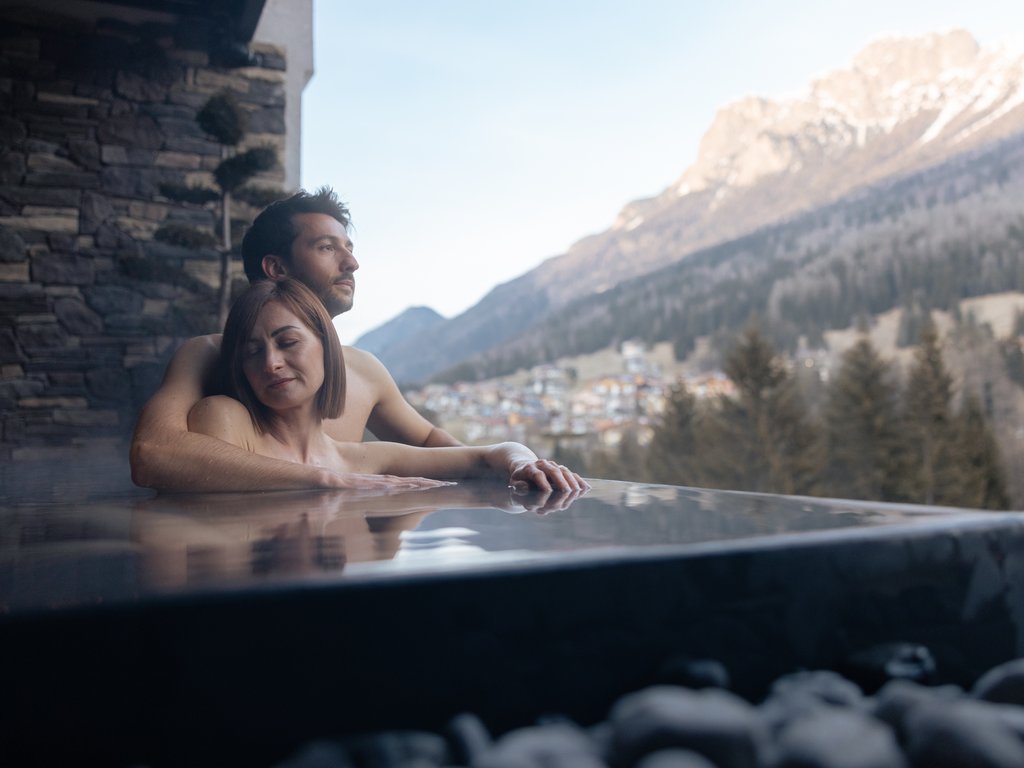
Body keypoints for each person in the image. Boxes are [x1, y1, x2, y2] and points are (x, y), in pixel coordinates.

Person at [131, 187, 573, 492]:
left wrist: (514, 468)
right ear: (276, 269)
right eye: (327, 248)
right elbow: (153, 453)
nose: (352, 262)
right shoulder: (208, 356)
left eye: (349, 246)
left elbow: (431, 450)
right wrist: (326, 481)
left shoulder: (363, 370)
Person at [187, 278, 588, 495]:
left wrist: (524, 463)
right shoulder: (225, 418)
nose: (271, 362)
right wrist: (327, 481)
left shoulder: (360, 460)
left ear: (327, 349)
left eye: (288, 342)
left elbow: (487, 457)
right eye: (252, 352)